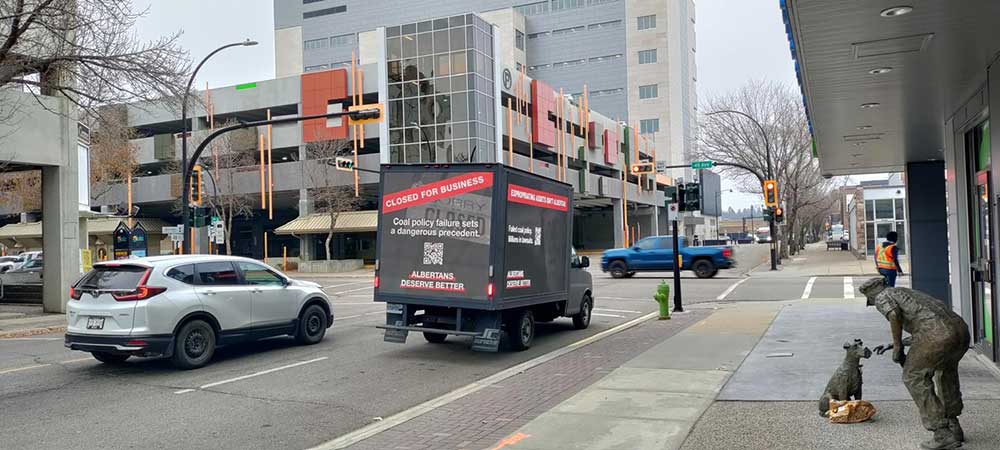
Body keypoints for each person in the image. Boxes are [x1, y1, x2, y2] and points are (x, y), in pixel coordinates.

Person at [859, 277, 970, 450]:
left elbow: (894, 314)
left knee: (913, 376)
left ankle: (942, 433)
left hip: (937, 335)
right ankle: (953, 425)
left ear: (872, 294)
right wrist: (896, 344)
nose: (873, 304)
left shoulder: (882, 296)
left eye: (870, 300)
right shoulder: (906, 293)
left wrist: (897, 347)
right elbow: (928, 324)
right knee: (946, 371)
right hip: (960, 331)